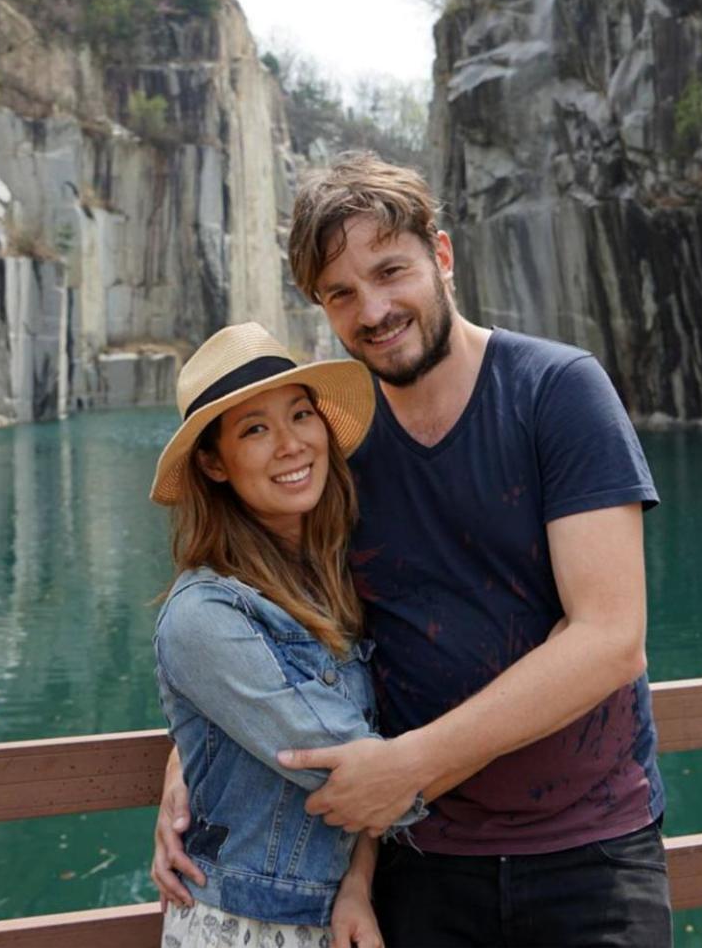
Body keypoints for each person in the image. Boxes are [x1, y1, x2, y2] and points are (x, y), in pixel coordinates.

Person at [153, 153, 673, 947]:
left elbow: (610, 638)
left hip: (588, 851)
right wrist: (199, 750)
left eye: (391, 270)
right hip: (416, 866)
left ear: (442, 254)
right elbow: (284, 634)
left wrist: (413, 764)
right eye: (341, 294)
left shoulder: (557, 391)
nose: (375, 309)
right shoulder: (337, 454)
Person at [149, 322, 423, 947]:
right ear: (214, 464)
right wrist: (524, 724)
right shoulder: (206, 615)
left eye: (300, 415)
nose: (291, 445)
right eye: (254, 429)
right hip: (244, 929)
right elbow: (348, 773)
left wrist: (357, 879)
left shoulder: (347, 573)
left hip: (344, 915)